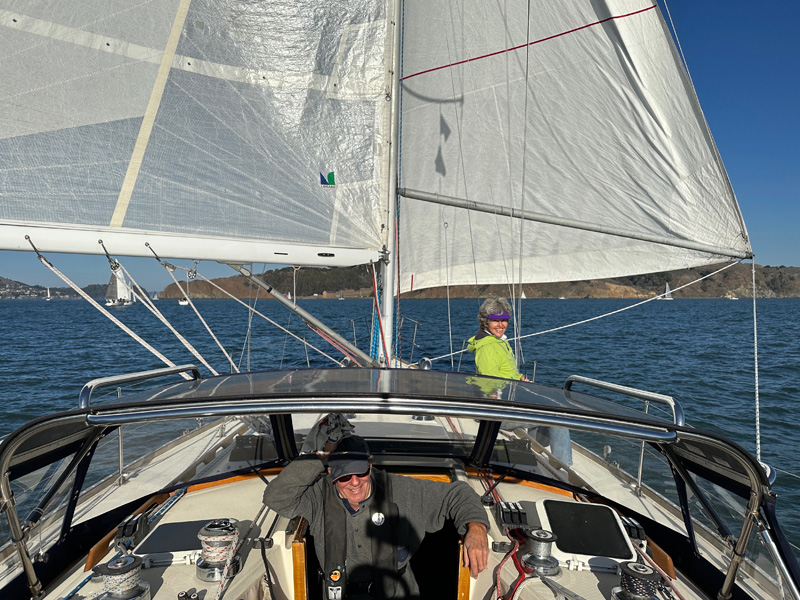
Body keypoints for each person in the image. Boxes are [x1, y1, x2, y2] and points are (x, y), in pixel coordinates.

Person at [263, 433, 490, 599]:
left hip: (396, 593)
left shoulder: (401, 490)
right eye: (344, 476)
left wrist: (477, 528)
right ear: (330, 471)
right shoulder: (316, 497)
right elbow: (275, 497)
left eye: (361, 472)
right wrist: (321, 454)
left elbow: (457, 493)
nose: (354, 483)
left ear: (370, 466)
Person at [467, 297, 529, 381]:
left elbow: (505, 371)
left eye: (504, 320)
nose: (500, 325)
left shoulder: (499, 340)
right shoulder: (487, 347)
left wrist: (519, 377)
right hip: (502, 392)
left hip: (508, 389)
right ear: (485, 323)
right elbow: (490, 382)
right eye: (495, 320)